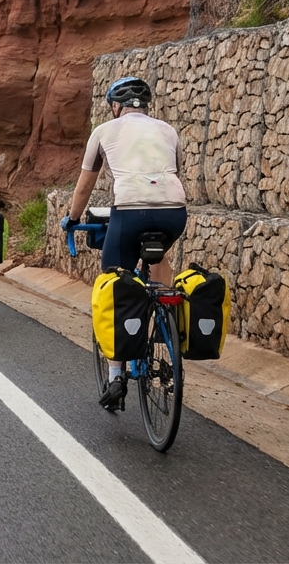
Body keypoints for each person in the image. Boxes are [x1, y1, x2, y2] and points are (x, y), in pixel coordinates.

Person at [62, 76, 187, 410]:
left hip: (131, 210)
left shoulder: (103, 132)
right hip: (174, 212)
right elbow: (176, 170)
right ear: (145, 105)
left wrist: (73, 219)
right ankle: (166, 321)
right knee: (158, 256)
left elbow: (84, 185)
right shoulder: (167, 130)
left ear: (115, 106)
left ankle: (116, 375)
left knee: (115, 279)